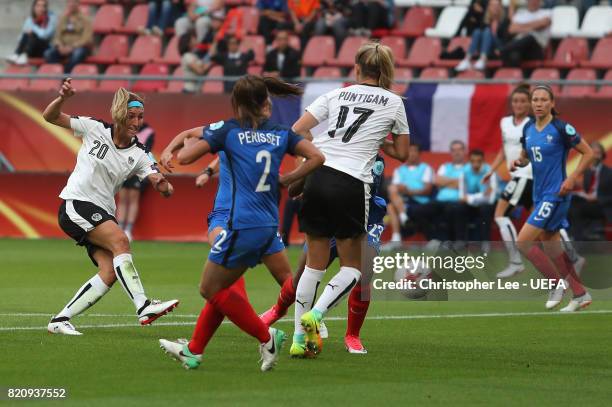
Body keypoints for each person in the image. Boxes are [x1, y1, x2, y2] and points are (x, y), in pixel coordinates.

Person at [157, 75, 325, 371]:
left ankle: (266, 336)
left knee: (210, 288)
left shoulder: (228, 130)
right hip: (267, 224)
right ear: (265, 103)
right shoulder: (280, 133)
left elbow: (184, 158)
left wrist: (181, 149)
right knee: (232, 285)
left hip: (240, 224)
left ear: (235, 104)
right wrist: (287, 179)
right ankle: (194, 350)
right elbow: (316, 156)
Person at [290, 41, 409, 356]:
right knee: (354, 268)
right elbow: (403, 153)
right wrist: (377, 140)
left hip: (317, 176)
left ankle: (299, 340)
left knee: (313, 266)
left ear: (357, 68)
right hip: (352, 182)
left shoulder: (335, 94)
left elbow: (296, 131)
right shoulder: (394, 102)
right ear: (384, 70)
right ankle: (317, 313)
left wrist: (324, 145)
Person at [42, 79, 178, 336]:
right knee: (121, 242)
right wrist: (62, 97)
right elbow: (50, 117)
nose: (137, 122)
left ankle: (60, 319)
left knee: (109, 271)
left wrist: (163, 186)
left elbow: (159, 182)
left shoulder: (140, 152)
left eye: (140, 117)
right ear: (119, 115)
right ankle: (143, 306)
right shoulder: (93, 128)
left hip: (101, 212)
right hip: (76, 203)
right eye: (132, 116)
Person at [483, 84, 584, 278]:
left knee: (501, 214)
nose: (519, 105)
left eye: (523, 101)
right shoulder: (507, 123)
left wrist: (571, 177)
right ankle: (574, 260)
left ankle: (516, 261)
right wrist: (494, 169)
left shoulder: (539, 123)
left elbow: (581, 150)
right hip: (529, 180)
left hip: (529, 177)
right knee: (548, 227)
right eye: (515, 101)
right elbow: (506, 149)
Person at [513, 85, 594, 312]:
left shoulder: (561, 128)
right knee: (552, 248)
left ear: (552, 103)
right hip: (540, 195)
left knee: (523, 242)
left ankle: (555, 283)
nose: (538, 103)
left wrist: (573, 178)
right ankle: (580, 294)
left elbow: (588, 153)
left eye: (543, 100)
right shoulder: (528, 128)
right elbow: (527, 156)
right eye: (535, 100)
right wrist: (520, 162)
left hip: (555, 194)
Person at [386, 142, 435, 245]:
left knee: (391, 206)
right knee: (391, 196)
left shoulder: (426, 168)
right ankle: (403, 216)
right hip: (403, 201)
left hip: (420, 201)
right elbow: (395, 190)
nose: (411, 154)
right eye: (409, 151)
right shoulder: (399, 170)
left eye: (414, 151)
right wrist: (402, 190)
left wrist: (408, 191)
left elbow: (427, 190)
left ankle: (396, 237)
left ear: (419, 153)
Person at [116, 122, 155, 241]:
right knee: (122, 199)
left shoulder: (149, 132)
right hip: (123, 169)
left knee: (133, 199)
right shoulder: (123, 129)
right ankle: (120, 228)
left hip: (138, 170)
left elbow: (146, 152)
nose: (136, 121)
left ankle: (128, 230)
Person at [569, 142, 612, 240]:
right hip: (589, 205)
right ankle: (575, 236)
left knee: (576, 208)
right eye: (594, 153)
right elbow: (587, 190)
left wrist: (597, 198)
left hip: (604, 207)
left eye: (598, 153)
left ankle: (577, 238)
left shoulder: (609, 172)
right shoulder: (587, 172)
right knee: (571, 201)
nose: (596, 156)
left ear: (602, 155)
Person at [430, 140, 467, 247]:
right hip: (440, 201)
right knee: (422, 210)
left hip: (459, 201)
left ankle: (454, 241)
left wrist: (446, 181)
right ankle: (434, 239)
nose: (457, 152)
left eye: (459, 149)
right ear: (451, 152)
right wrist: (457, 181)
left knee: (452, 208)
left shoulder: (468, 168)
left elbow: (467, 183)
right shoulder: (444, 166)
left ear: (464, 151)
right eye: (454, 150)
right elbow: (437, 181)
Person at [456, 149, 498, 244]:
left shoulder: (490, 172)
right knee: (457, 208)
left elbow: (490, 198)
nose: (476, 164)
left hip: (488, 205)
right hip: (471, 204)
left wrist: (470, 198)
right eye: (473, 161)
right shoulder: (464, 172)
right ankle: (460, 241)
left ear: (483, 161)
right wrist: (479, 197)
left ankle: (485, 243)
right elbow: (461, 196)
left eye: (479, 161)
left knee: (485, 209)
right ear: (469, 161)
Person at [456, 0, 507, 72]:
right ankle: (467, 59)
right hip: (487, 46)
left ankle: (483, 59)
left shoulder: (504, 20)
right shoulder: (484, 19)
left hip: (499, 46)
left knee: (487, 31)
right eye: (492, 5)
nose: (495, 8)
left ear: (500, 7)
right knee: (477, 32)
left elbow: (505, 38)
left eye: (497, 5)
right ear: (489, 7)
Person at [44, 0, 93, 74]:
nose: (71, 4)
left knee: (77, 55)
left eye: (74, 2)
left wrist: (72, 47)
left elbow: (87, 38)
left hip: (79, 47)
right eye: (69, 2)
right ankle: (58, 73)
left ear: (78, 3)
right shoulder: (63, 18)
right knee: (48, 53)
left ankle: (65, 77)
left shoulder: (85, 19)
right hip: (63, 47)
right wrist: (60, 46)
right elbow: (57, 36)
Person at [500, 0, 551, 67]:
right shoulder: (520, 14)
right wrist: (532, 27)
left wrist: (520, 26)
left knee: (530, 37)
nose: (533, 2)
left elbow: (543, 23)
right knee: (514, 55)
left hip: (537, 48)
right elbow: (511, 29)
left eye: (536, 1)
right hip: (520, 49)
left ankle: (503, 50)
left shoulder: (547, 13)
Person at [7, 0, 57, 65]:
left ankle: (25, 55)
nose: (41, 8)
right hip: (31, 47)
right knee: (27, 34)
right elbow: (21, 37)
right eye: (38, 6)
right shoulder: (30, 19)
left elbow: (44, 35)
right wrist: (29, 33)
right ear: (34, 7)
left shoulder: (51, 17)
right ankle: (17, 54)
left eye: (43, 6)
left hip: (45, 48)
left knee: (33, 35)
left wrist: (33, 28)